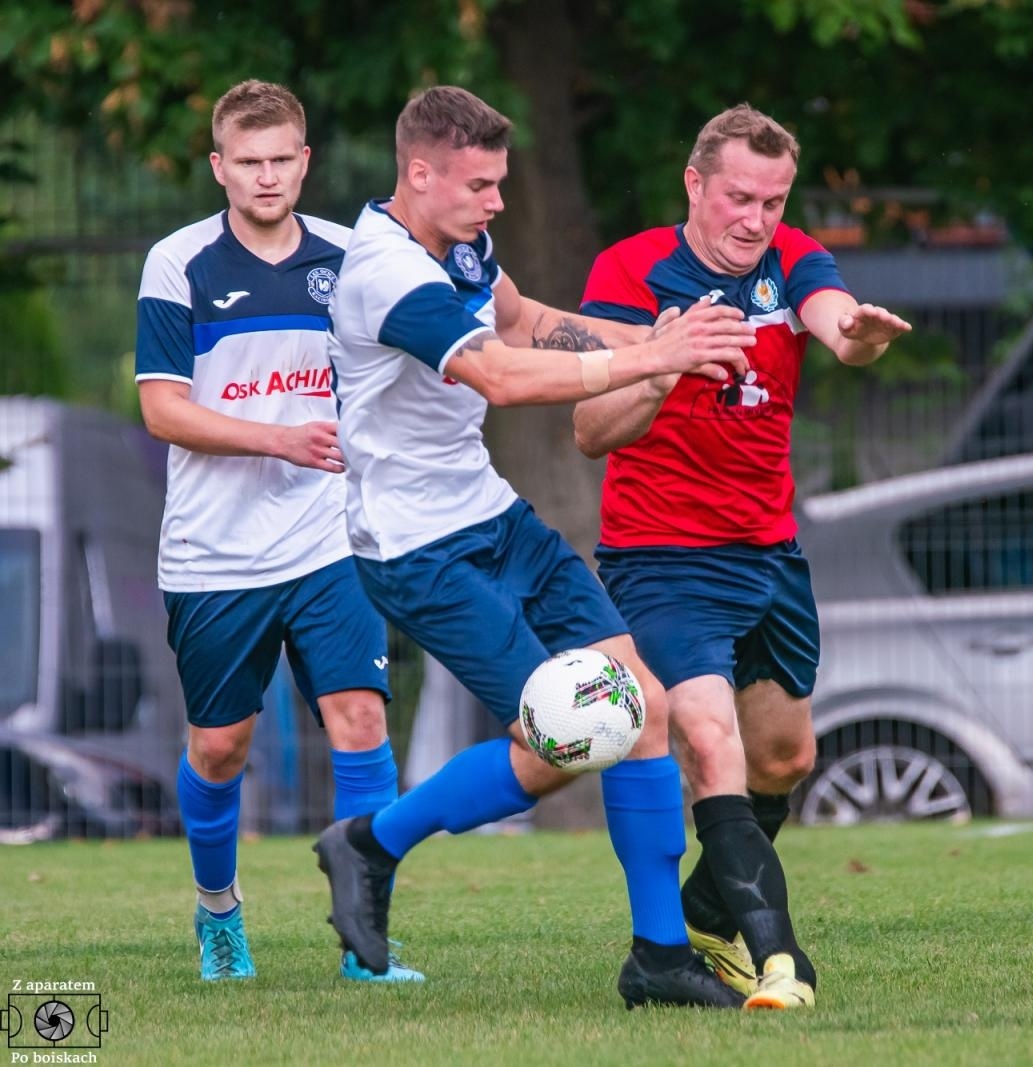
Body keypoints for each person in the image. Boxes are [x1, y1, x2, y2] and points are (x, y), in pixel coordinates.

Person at [310, 86, 757, 1009]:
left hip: (492, 514)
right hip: (414, 549)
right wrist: (648, 360)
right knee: (563, 737)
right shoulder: (382, 272)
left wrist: (664, 336)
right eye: (479, 184)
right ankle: (372, 841)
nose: (497, 202)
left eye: (501, 183)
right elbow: (502, 376)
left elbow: (519, 321)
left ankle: (659, 956)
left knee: (643, 705)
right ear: (419, 173)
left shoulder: (460, 239)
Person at [574, 104, 913, 1010]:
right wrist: (662, 363)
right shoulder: (631, 272)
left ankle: (692, 926)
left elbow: (836, 321)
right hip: (660, 556)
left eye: (771, 200)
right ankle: (780, 962)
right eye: (737, 197)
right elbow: (588, 429)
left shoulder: (792, 257)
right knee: (713, 744)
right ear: (695, 185)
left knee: (784, 757)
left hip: (768, 555)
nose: (754, 219)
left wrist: (861, 336)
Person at [134, 80, 417, 984]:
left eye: (281, 159)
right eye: (247, 162)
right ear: (220, 167)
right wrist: (280, 437)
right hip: (213, 552)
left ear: (305, 160)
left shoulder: (350, 255)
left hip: (331, 542)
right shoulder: (179, 263)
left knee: (362, 719)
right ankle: (219, 913)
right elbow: (163, 411)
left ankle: (364, 941)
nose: (266, 176)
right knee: (221, 747)